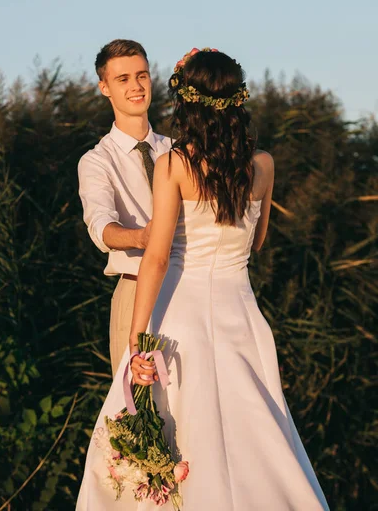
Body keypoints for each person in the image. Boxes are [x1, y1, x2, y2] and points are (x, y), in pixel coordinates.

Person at [76, 48, 330, 510]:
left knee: (175, 433)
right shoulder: (263, 165)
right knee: (252, 433)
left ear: (185, 101)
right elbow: (255, 243)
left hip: (178, 310)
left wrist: (138, 345)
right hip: (243, 316)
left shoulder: (174, 162)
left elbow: (155, 260)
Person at [78, 39, 172, 375]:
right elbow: (101, 227)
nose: (135, 86)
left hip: (188, 288)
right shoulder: (96, 161)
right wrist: (142, 237)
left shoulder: (178, 150)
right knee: (135, 413)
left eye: (141, 76)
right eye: (123, 79)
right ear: (104, 87)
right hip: (134, 290)